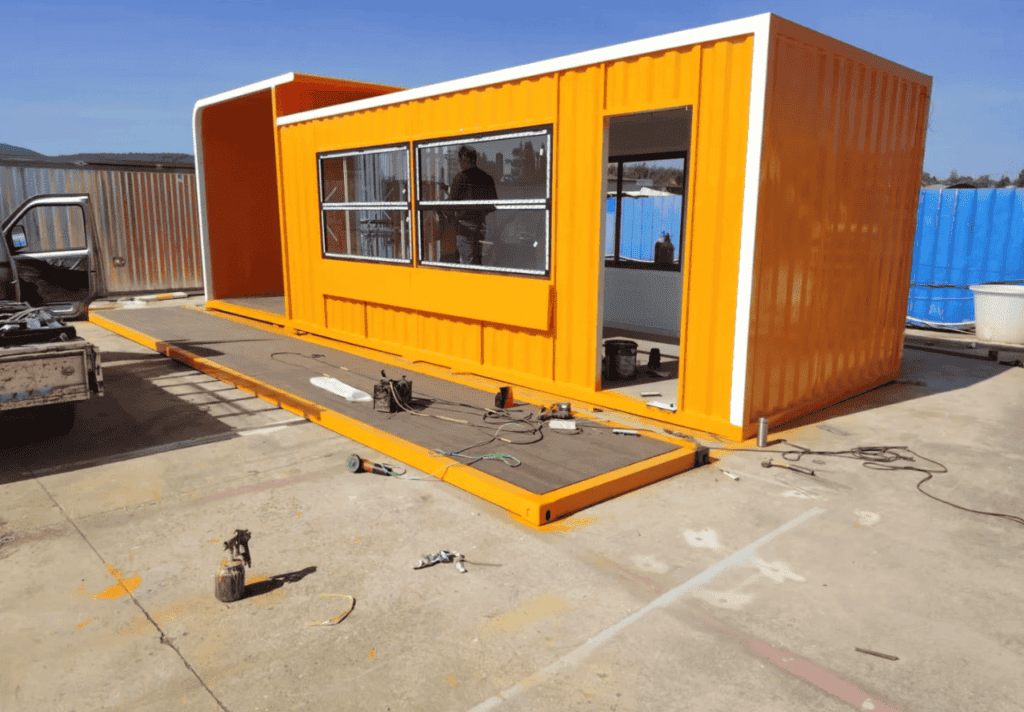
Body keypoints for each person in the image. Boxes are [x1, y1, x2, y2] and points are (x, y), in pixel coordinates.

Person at [445, 146, 498, 265]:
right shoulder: (487, 178)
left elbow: (451, 204)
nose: (459, 164)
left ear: (465, 159)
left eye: (459, 161)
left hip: (465, 228)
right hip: (482, 226)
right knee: (477, 260)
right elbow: (492, 206)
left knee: (467, 263)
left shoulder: (460, 178)